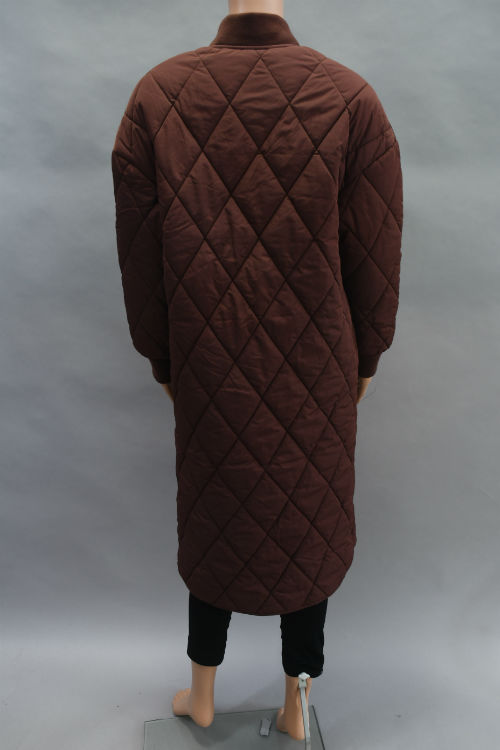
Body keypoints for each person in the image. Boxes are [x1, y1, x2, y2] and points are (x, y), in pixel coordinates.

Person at [111, 0, 403, 741]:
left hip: (208, 365)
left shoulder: (158, 95)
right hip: (319, 365)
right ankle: (297, 705)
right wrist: (367, 353)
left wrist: (162, 355)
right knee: (306, 523)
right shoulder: (350, 97)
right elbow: (375, 247)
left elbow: (139, 255)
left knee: (216, 519)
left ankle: (202, 694)